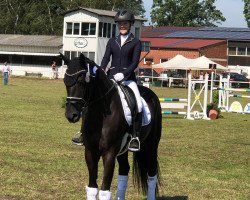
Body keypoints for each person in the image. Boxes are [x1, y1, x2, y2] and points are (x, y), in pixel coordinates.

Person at [72, 9, 143, 152]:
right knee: (90, 101)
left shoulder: (136, 42)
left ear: (130, 24)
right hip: (111, 78)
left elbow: (135, 63)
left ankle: (135, 137)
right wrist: (102, 70)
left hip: (128, 79)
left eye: (125, 23)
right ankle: (82, 132)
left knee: (139, 104)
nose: (122, 26)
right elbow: (105, 58)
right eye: (120, 23)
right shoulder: (112, 41)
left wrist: (124, 74)